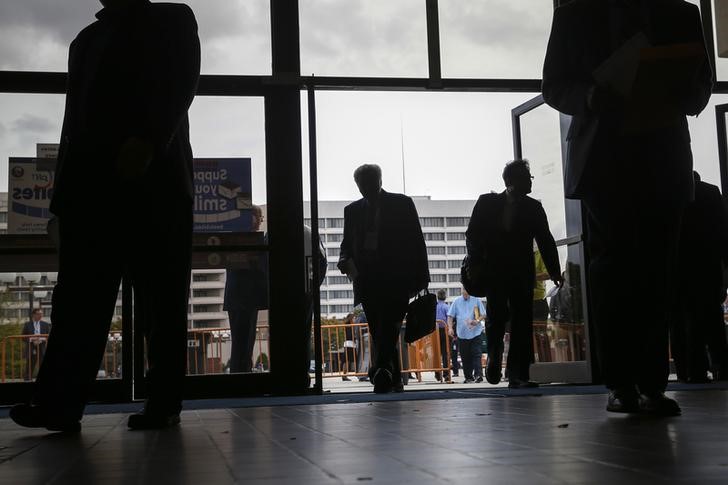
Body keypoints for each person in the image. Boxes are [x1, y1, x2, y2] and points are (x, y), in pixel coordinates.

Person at [10, 0, 200, 432]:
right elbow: (72, 124)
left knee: (160, 303)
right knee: (79, 301)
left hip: (154, 183)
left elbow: (179, 85)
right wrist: (62, 200)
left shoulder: (171, 19)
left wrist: (150, 139)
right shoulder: (86, 40)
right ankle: (60, 403)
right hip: (94, 190)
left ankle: (161, 402)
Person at [543, 0, 712, 415]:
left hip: (661, 159)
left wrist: (683, 93)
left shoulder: (682, 14)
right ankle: (623, 383)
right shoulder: (575, 15)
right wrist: (591, 96)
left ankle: (648, 384)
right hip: (608, 163)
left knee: (657, 273)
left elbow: (702, 84)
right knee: (615, 274)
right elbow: (554, 86)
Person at [466, 160, 562, 389]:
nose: (530, 181)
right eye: (527, 177)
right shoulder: (487, 202)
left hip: (520, 273)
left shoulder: (533, 207)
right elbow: (472, 235)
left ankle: (518, 374)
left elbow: (545, 240)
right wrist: (476, 263)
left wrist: (555, 271)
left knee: (521, 322)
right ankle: (495, 357)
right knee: (497, 318)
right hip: (495, 272)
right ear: (513, 181)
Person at [338, 164, 430, 393]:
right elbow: (346, 244)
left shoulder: (402, 204)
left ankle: (379, 370)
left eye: (368, 183)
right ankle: (392, 377)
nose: (364, 189)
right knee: (379, 329)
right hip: (367, 279)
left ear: (379, 181)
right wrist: (343, 260)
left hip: (396, 278)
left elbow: (417, 241)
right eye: (360, 185)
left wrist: (422, 277)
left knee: (390, 326)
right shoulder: (352, 211)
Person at [670, 171, 728, 382]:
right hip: (707, 266)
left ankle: (688, 370)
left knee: (679, 321)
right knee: (712, 319)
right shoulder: (711, 193)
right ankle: (720, 365)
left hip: (676, 268)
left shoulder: (668, 195)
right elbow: (723, 232)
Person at [224, 205, 268, 374]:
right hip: (246, 297)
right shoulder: (249, 240)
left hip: (236, 297)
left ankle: (241, 372)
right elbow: (258, 267)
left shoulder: (233, 237)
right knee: (244, 340)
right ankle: (242, 374)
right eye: (259, 218)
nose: (260, 222)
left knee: (240, 340)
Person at [447, 288, 486, 383]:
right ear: (461, 290)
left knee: (476, 354)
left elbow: (483, 314)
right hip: (462, 334)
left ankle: (478, 375)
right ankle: (468, 377)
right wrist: (450, 328)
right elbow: (450, 316)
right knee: (465, 356)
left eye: (467, 291)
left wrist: (476, 321)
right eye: (464, 291)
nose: (465, 293)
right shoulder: (456, 301)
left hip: (475, 333)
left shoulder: (476, 300)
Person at [21, 308, 51, 380]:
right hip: (31, 346)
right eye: (38, 314)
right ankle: (28, 378)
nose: (40, 315)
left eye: (41, 314)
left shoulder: (46, 324)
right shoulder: (27, 324)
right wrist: (32, 339)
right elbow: (23, 337)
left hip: (42, 347)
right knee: (30, 364)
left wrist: (41, 340)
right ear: (33, 315)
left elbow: (47, 336)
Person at [434, 289, 451, 382]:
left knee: (436, 353)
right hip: (444, 330)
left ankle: (437, 373)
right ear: (445, 297)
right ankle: (446, 374)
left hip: (434, 331)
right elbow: (449, 319)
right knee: (445, 353)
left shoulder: (434, 306)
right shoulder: (447, 307)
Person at [341, 313, 357, 381]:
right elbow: (350, 335)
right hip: (350, 344)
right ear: (351, 319)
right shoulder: (349, 325)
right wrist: (355, 337)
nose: (355, 319)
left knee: (347, 361)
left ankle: (344, 375)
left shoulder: (348, 325)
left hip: (349, 344)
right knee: (347, 361)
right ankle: (344, 376)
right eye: (354, 318)